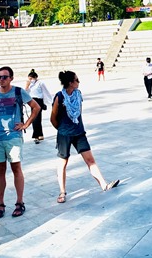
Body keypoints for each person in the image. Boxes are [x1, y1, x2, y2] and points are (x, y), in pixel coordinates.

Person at [0, 66, 40, 219]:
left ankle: (19, 202)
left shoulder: (19, 92)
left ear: (11, 78)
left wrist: (26, 125)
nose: (1, 80)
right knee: (0, 170)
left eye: (4, 77)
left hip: (13, 137)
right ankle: (1, 203)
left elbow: (36, 107)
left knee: (16, 168)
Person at [50, 70, 119, 204]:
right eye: (76, 80)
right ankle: (62, 192)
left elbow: (79, 113)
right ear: (70, 83)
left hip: (79, 132)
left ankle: (103, 184)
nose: (79, 82)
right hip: (64, 134)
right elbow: (53, 118)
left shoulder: (78, 94)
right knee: (63, 163)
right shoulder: (60, 97)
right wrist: (62, 129)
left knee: (90, 160)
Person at [24, 69, 53, 144]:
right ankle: (38, 134)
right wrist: (27, 86)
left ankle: (37, 135)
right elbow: (25, 93)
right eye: (29, 79)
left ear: (35, 77)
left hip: (39, 101)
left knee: (37, 118)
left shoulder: (40, 83)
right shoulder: (29, 84)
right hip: (32, 101)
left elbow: (45, 92)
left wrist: (49, 102)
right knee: (34, 118)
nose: (30, 80)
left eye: (31, 78)